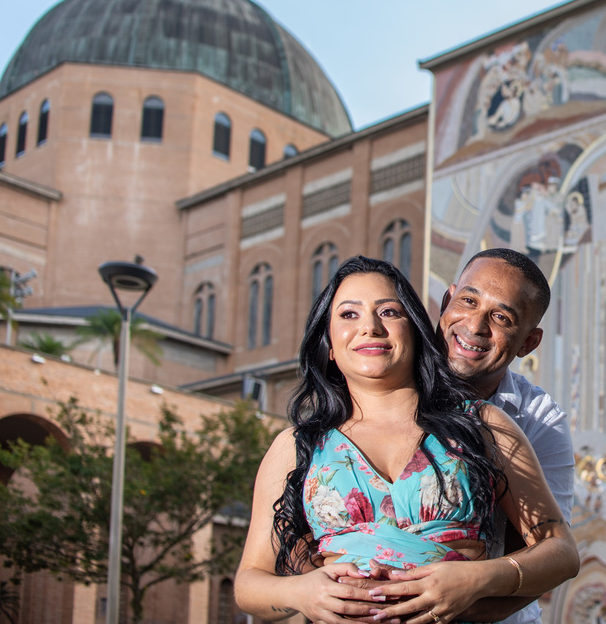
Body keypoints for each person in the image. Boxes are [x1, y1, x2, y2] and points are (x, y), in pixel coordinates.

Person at [235, 257, 578, 623]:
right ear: (329, 345)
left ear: (414, 329)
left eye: (388, 312)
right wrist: (301, 592)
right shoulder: (296, 445)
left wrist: (475, 582)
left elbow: (558, 551)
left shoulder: (487, 425)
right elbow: (250, 583)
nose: (370, 327)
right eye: (348, 315)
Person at [346, 248, 575, 624]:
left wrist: (461, 595)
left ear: (529, 343)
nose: (475, 325)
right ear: (448, 299)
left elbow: (547, 558)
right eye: (468, 301)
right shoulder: (381, 371)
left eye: (501, 317)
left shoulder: (536, 423)